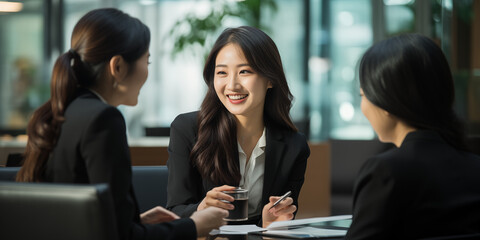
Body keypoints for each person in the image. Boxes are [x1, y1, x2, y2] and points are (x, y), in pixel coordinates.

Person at [16, 8, 227, 240]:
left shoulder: (63, 111)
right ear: (117, 67)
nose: (147, 71)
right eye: (146, 60)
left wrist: (137, 221)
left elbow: (92, 225)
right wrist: (194, 225)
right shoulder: (103, 120)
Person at [166, 26, 310, 228]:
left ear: (270, 79)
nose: (232, 85)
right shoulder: (188, 129)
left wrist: (271, 222)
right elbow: (174, 211)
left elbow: (280, 218)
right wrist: (201, 209)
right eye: (222, 72)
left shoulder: (294, 146)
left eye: (244, 71)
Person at [346, 33, 480, 239]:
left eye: (363, 95)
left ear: (385, 100)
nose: (363, 106)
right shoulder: (474, 166)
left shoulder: (386, 172)